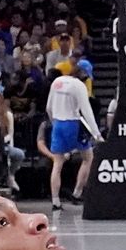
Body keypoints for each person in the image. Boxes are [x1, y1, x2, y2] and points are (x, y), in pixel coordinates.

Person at [46, 74, 101, 210]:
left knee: (57, 164)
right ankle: (77, 193)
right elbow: (86, 110)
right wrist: (96, 133)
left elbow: (49, 107)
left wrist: (54, 123)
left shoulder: (57, 81)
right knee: (88, 158)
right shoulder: (79, 86)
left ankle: (55, 201)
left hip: (58, 123)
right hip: (73, 123)